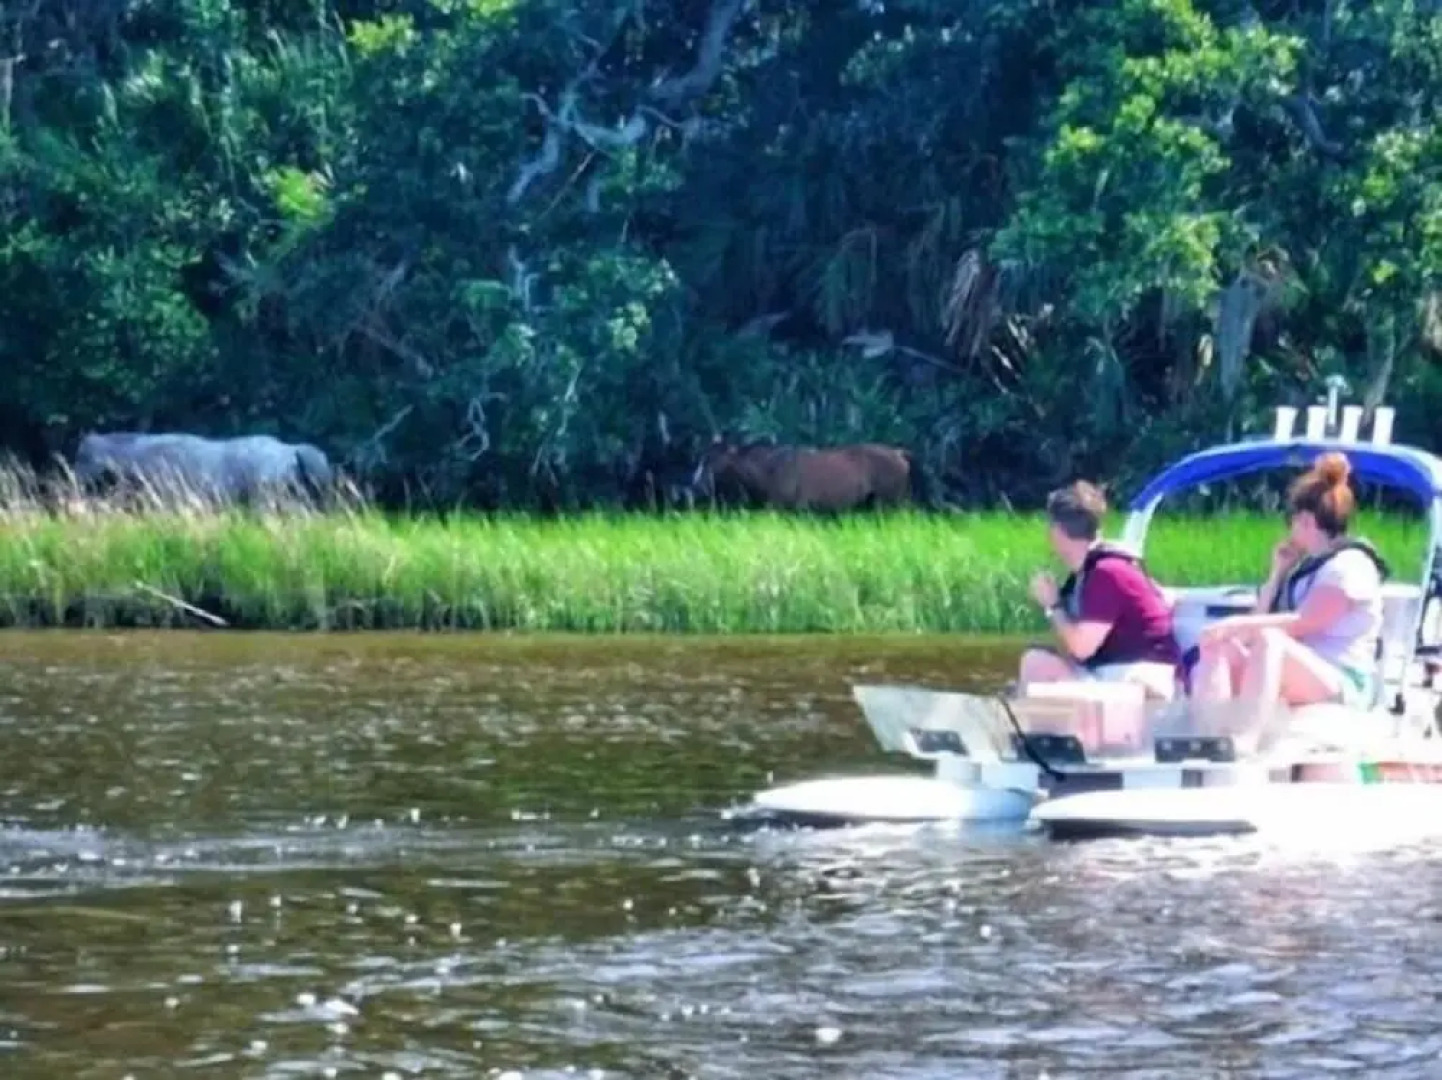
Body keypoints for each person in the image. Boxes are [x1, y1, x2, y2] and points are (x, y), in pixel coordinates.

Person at [1190, 451, 1386, 712]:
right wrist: (1277, 573)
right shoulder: (1305, 568)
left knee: (1271, 641)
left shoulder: (1349, 566)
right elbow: (1258, 623)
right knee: (1219, 645)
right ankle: (1207, 736)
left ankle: (1245, 738)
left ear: (1305, 520)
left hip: (1343, 676)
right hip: (1300, 667)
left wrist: (1238, 623)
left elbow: (1305, 622)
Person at [1018, 480, 1182, 700]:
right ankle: (1041, 731)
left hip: (1138, 678)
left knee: (1035, 666)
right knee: (1036, 661)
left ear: (1057, 533)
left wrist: (1053, 605)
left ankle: (1041, 732)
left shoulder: (1108, 573)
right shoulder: (1092, 572)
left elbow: (1082, 647)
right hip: (1112, 673)